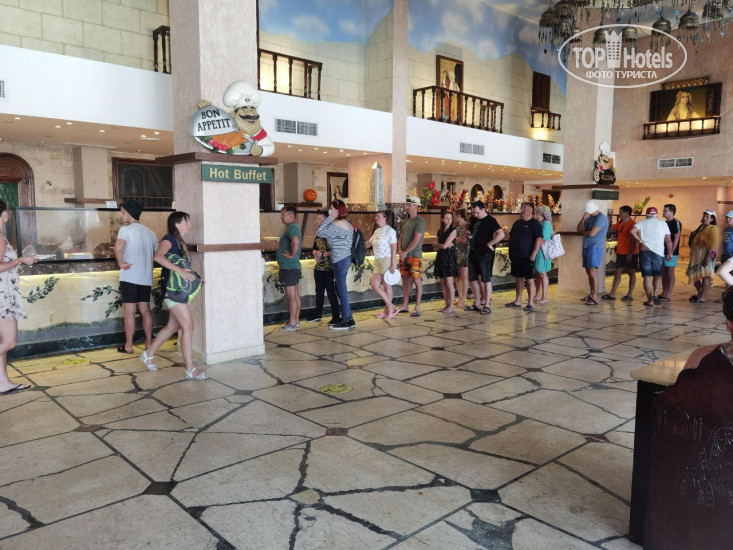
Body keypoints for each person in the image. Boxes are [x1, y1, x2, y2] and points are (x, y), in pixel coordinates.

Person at [140, 212, 207, 381]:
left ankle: (148, 354)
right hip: (173, 292)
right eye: (187, 222)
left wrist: (195, 279)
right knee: (188, 327)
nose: (190, 225)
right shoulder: (169, 238)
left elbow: (182, 267)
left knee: (172, 327)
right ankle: (190, 369)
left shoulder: (178, 241)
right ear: (177, 223)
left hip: (176, 291)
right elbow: (157, 256)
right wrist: (181, 272)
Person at [0, 200, 37, 395]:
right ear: (3, 213)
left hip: (3, 295)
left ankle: (2, 383)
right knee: (9, 342)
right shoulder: (0, 238)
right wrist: (21, 260)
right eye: (7, 210)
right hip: (3, 298)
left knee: (2, 343)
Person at [113, 200, 158, 354]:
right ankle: (149, 343)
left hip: (130, 276)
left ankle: (129, 346)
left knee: (130, 311)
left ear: (129, 213)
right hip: (145, 277)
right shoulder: (150, 232)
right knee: (145, 310)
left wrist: (121, 263)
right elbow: (155, 254)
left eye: (123, 212)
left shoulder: (125, 230)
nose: (121, 215)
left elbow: (118, 248)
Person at [316, 199, 355, 330]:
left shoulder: (337, 224)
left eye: (332, 209)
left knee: (341, 290)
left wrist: (330, 218)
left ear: (338, 211)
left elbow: (319, 232)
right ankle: (349, 318)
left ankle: (346, 320)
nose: (330, 211)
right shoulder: (348, 224)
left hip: (339, 260)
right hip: (345, 258)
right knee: (340, 289)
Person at [466, 200, 504, 314]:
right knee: (473, 279)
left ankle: (487, 305)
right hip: (473, 252)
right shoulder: (474, 220)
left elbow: (501, 234)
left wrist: (490, 243)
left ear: (483, 209)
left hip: (485, 254)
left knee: (485, 279)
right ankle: (477, 303)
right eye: (473, 213)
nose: (475, 215)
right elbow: (469, 230)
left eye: (477, 212)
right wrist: (468, 235)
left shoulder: (490, 220)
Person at [629, 207, 672, 307]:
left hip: (645, 251)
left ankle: (650, 300)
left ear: (647, 214)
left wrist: (640, 242)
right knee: (658, 275)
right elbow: (668, 240)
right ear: (656, 214)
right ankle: (655, 294)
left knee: (647, 276)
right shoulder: (663, 224)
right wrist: (670, 252)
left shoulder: (641, 223)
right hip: (659, 253)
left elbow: (632, 231)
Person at [506, 202, 543, 313]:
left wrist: (533, 254)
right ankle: (518, 300)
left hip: (527, 256)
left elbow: (539, 239)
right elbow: (511, 237)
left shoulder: (535, 224)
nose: (522, 210)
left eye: (524, 208)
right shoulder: (517, 223)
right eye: (522, 208)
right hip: (516, 256)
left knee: (529, 279)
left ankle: (530, 303)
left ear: (531, 211)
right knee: (518, 278)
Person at [308, 210, 340, 324]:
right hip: (319, 268)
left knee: (331, 293)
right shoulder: (319, 233)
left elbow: (337, 250)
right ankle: (318, 314)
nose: (317, 221)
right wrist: (315, 254)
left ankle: (336, 316)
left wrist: (324, 254)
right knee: (319, 292)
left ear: (327, 219)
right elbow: (314, 248)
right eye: (317, 218)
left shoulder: (332, 233)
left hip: (329, 269)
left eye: (320, 218)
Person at [397, 196, 425, 317]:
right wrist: (400, 251)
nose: (406, 206)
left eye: (408, 204)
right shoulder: (406, 222)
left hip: (414, 255)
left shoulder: (420, 221)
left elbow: (416, 240)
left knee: (417, 280)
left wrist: (405, 252)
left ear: (415, 206)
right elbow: (401, 238)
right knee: (405, 280)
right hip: (404, 256)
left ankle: (417, 307)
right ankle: (405, 305)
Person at [577, 200, 609, 306]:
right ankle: (591, 294)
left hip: (595, 247)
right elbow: (578, 229)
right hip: (586, 246)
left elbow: (592, 234)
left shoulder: (601, 218)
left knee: (592, 272)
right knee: (588, 271)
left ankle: (594, 296)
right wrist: (583, 219)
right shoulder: (589, 216)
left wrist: (583, 232)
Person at [603, 205, 638, 301]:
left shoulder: (633, 224)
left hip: (631, 253)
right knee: (617, 272)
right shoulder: (620, 222)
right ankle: (612, 294)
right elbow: (611, 229)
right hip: (620, 252)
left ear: (626, 213)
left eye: (620, 212)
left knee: (631, 273)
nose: (619, 214)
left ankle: (630, 294)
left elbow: (634, 241)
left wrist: (630, 254)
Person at [366, 210, 397, 319]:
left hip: (386, 259)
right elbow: (369, 244)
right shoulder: (377, 231)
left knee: (387, 286)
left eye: (378, 216)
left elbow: (394, 248)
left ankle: (387, 310)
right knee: (374, 285)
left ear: (384, 218)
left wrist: (393, 263)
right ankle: (390, 306)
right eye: (376, 216)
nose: (376, 218)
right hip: (377, 260)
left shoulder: (390, 231)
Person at [277, 205, 302, 331]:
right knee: (295, 295)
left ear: (291, 216)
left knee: (291, 296)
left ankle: (292, 323)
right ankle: (295, 321)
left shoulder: (292, 227)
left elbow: (295, 241)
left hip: (289, 267)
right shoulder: (293, 227)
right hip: (292, 267)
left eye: (283, 215)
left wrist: (291, 254)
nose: (281, 217)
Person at [687, 209, 719, 304]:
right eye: (704, 215)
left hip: (705, 256)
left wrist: (707, 258)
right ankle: (700, 293)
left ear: (712, 219)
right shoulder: (701, 227)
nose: (704, 218)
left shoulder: (713, 229)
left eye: (707, 216)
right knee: (693, 274)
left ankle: (702, 297)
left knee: (705, 276)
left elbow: (713, 245)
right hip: (696, 257)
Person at [434, 210, 459, 313]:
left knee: (449, 282)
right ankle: (446, 304)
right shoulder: (439, 231)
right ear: (442, 219)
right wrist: (440, 245)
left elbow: (443, 246)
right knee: (443, 283)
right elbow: (435, 247)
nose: (449, 220)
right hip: (441, 257)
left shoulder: (453, 231)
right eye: (447, 218)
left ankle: (451, 306)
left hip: (449, 258)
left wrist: (438, 245)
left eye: (451, 218)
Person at [659, 204, 681, 301]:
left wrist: (671, 251)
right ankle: (664, 292)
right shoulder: (664, 223)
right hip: (663, 251)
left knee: (670, 272)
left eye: (665, 211)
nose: (663, 212)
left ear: (671, 212)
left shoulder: (676, 223)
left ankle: (668, 294)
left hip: (672, 252)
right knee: (664, 272)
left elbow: (676, 238)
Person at [534, 205, 553, 305]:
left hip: (542, 252)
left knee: (542, 274)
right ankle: (537, 295)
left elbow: (544, 240)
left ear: (538, 214)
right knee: (538, 274)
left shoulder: (545, 224)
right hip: (538, 252)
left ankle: (544, 297)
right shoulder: (540, 223)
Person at [714, 211, 733, 301]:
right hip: (726, 254)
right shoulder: (726, 229)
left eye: (730, 218)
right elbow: (725, 243)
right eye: (727, 217)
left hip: (731, 256)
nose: (727, 219)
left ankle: (727, 297)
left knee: (723, 272)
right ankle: (727, 298)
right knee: (727, 277)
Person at [453, 208, 470, 309]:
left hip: (465, 253)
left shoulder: (468, 226)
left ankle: (463, 299)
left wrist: (454, 240)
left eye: (454, 215)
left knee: (464, 276)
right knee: (458, 277)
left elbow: (464, 239)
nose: (453, 218)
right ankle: (460, 297)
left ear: (459, 216)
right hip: (456, 253)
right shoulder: (455, 226)